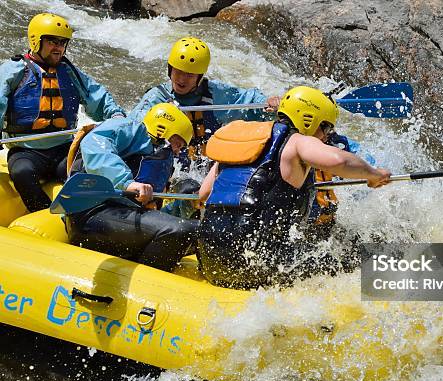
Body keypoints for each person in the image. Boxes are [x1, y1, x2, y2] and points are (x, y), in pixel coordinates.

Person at [196, 86, 391, 288]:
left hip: (210, 260)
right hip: (256, 266)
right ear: (310, 119)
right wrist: (373, 174)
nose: (326, 137)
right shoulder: (298, 142)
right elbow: (337, 160)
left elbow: (204, 194)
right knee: (349, 252)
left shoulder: (242, 138)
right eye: (326, 128)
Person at [0, 13, 125, 212]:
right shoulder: (14, 70)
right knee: (23, 172)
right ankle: (41, 214)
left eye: (62, 42)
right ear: (36, 40)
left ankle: (91, 214)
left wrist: (116, 116)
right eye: (52, 41)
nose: (59, 47)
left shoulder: (69, 72)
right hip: (27, 151)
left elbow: (97, 98)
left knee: (89, 166)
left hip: (63, 149)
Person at [64, 103, 198, 272]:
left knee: (195, 228)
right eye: (178, 143)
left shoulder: (160, 159)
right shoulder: (132, 129)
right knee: (179, 230)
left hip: (123, 219)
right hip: (92, 216)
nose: (179, 152)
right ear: (162, 130)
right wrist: (126, 182)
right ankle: (148, 285)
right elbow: (93, 142)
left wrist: (185, 206)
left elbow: (153, 215)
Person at [128, 36, 280, 167]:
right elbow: (132, 128)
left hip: (206, 167)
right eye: (178, 71)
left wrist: (267, 103)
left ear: (199, 77)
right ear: (170, 69)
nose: (181, 79)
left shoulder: (214, 93)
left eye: (189, 75)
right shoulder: (156, 98)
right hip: (170, 170)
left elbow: (249, 100)